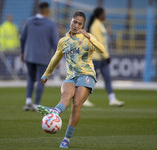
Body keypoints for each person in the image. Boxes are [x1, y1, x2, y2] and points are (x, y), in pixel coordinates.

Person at [37, 10, 108, 148]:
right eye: (74, 22)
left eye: (79, 24)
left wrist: (88, 36)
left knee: (76, 105)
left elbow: (102, 49)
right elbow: (55, 58)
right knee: (66, 95)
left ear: (83, 26)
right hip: (72, 76)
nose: (76, 25)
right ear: (71, 21)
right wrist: (46, 75)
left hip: (87, 75)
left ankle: (66, 139)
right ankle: (55, 111)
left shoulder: (87, 38)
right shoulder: (63, 41)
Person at [20, 2, 59, 111]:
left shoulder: (29, 21)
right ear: (47, 11)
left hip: (29, 55)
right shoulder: (51, 24)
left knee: (30, 78)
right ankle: (36, 104)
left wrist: (22, 52)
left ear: (38, 10)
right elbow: (56, 43)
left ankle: (28, 102)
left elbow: (22, 38)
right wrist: (58, 59)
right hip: (43, 56)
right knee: (42, 80)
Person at [84, 7, 124, 107]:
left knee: (107, 78)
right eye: (104, 13)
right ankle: (84, 99)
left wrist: (106, 55)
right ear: (100, 14)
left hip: (102, 57)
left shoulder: (99, 24)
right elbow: (98, 42)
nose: (105, 15)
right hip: (96, 58)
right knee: (92, 80)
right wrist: (106, 55)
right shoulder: (95, 26)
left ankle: (112, 99)